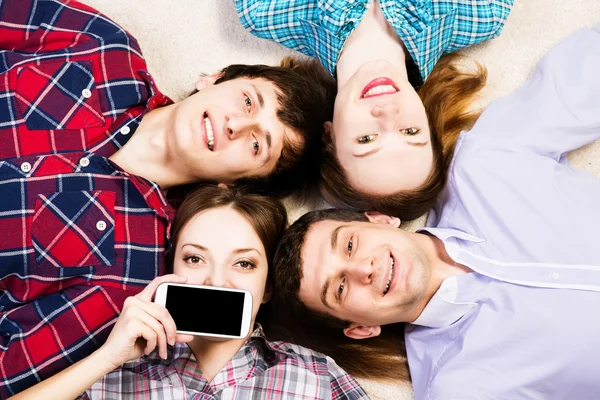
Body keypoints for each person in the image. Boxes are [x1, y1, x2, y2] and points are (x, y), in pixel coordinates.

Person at [0, 0, 333, 396]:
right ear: (217, 77)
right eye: (248, 101)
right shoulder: (104, 45)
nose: (235, 125)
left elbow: (8, 365)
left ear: (239, 184)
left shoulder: (131, 278)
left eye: (258, 145)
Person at [270, 23, 600, 399]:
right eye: (340, 288)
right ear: (361, 328)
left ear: (379, 219)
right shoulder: (459, 385)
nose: (363, 269)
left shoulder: (483, 166)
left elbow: (579, 83)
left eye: (349, 246)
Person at [9, 184, 368, 400]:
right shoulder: (111, 377)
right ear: (172, 271)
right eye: (195, 259)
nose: (215, 281)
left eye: (243, 264)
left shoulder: (316, 376)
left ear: (267, 288)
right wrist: (107, 358)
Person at [234, 0, 512, 220]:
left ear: (328, 135)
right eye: (411, 131)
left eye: (366, 139)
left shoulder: (262, 11)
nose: (388, 112)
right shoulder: (485, 12)